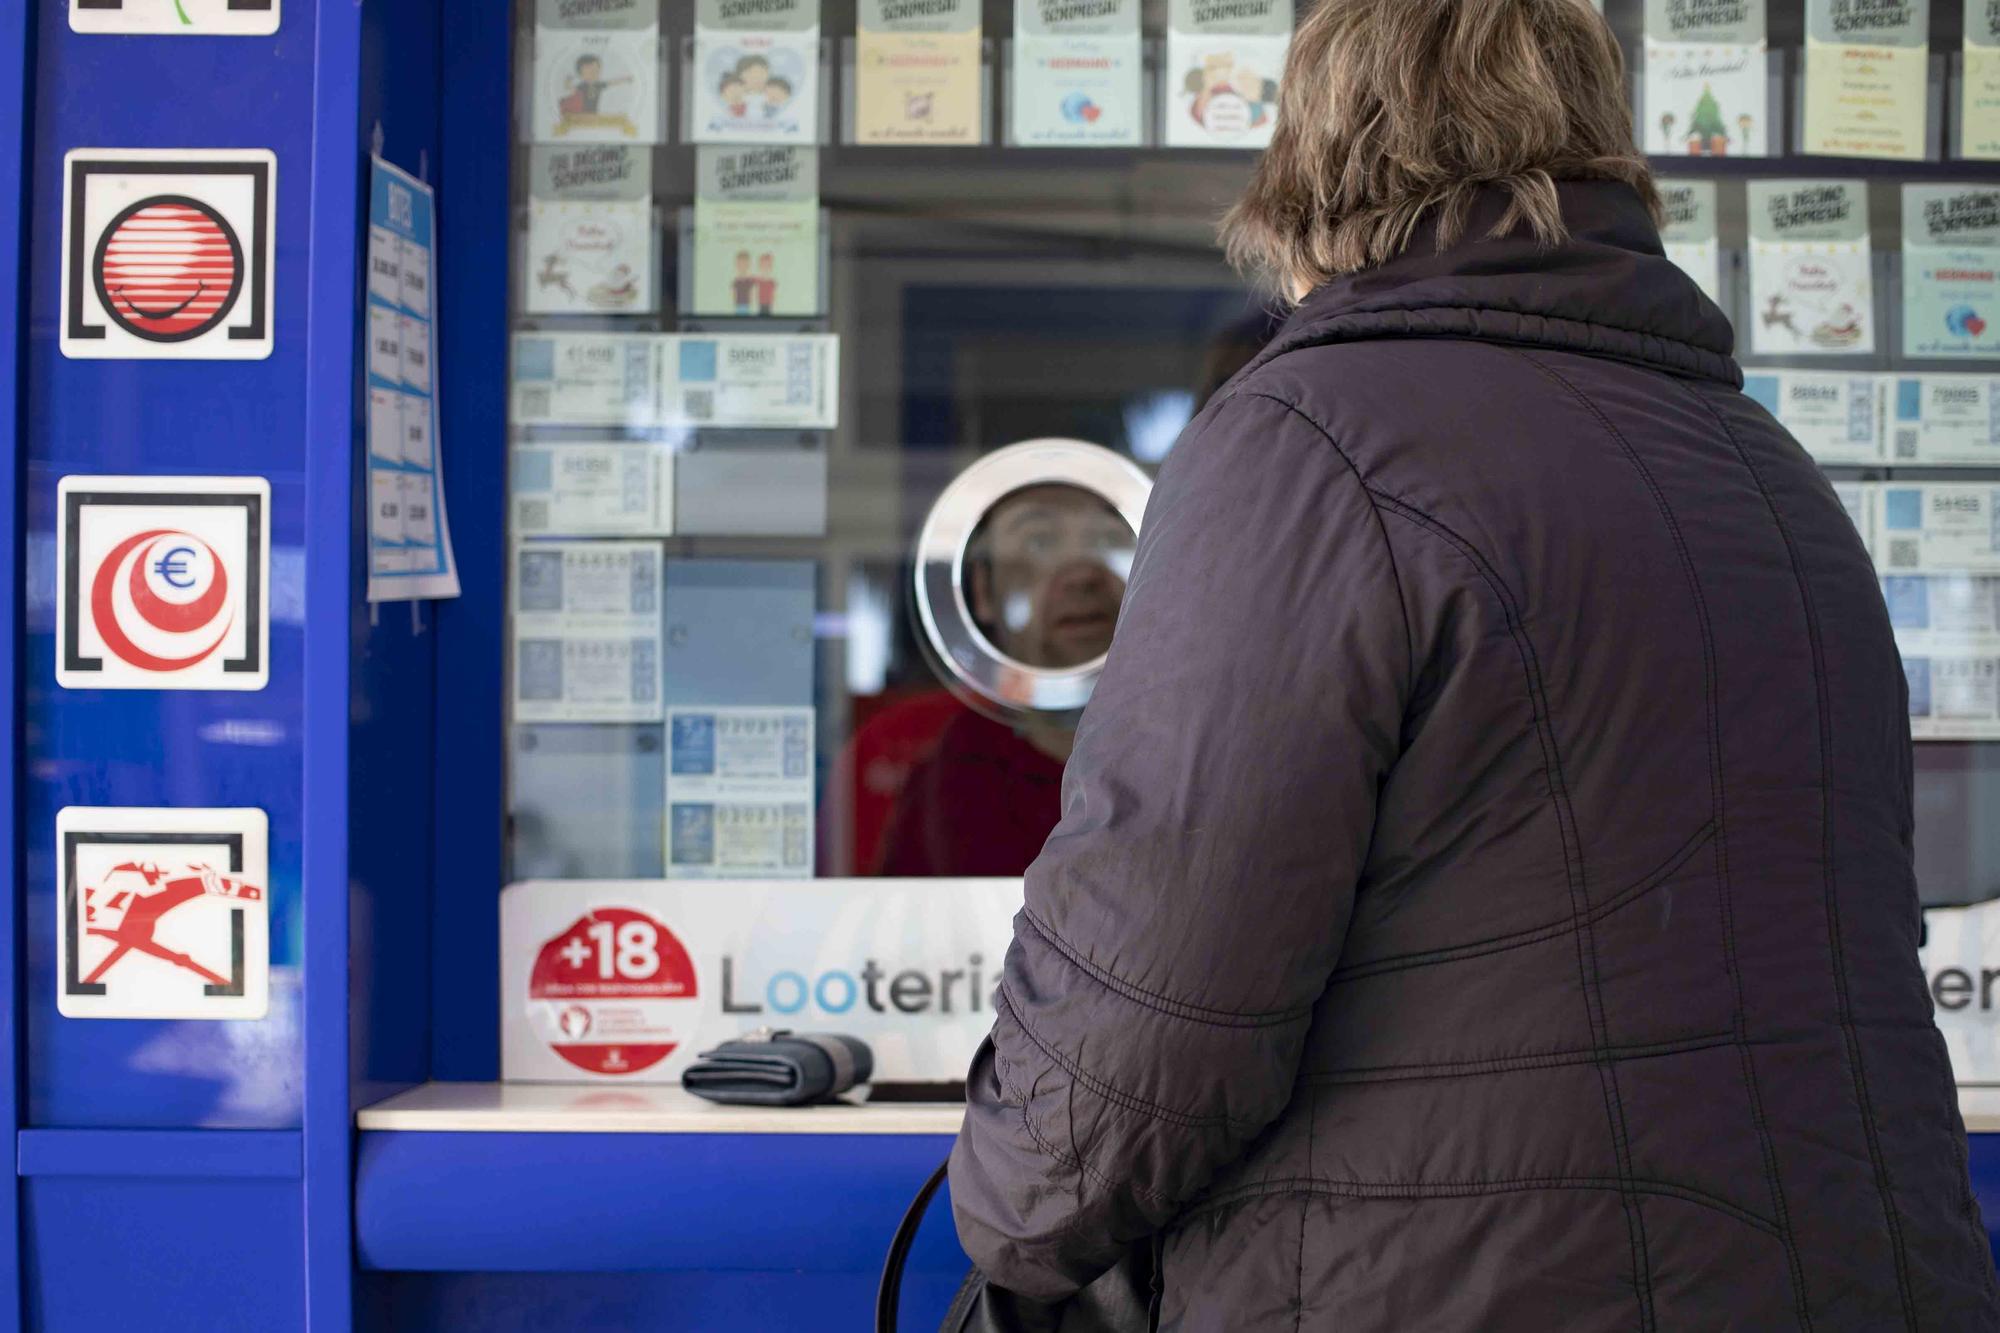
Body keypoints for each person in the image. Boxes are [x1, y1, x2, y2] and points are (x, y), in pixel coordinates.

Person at [947, 0, 2000, 1328]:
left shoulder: (1310, 444)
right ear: (1597, 151)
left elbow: (1135, 1045)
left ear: (1315, 158)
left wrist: (1002, 1202)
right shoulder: (1767, 474)